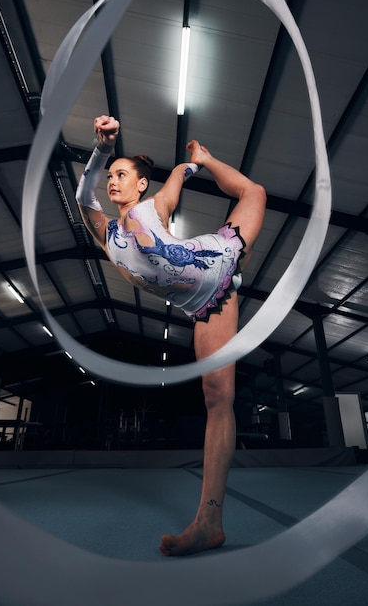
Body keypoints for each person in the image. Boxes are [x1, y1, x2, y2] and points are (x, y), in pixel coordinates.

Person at [76, 115, 266, 556]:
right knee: (217, 399)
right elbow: (82, 194)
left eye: (121, 175)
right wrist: (101, 148)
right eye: (110, 177)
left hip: (221, 254)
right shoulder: (106, 235)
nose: (112, 183)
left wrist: (194, 163)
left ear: (142, 186)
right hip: (206, 305)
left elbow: (176, 178)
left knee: (254, 192)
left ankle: (210, 156)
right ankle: (209, 523)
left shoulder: (153, 206)